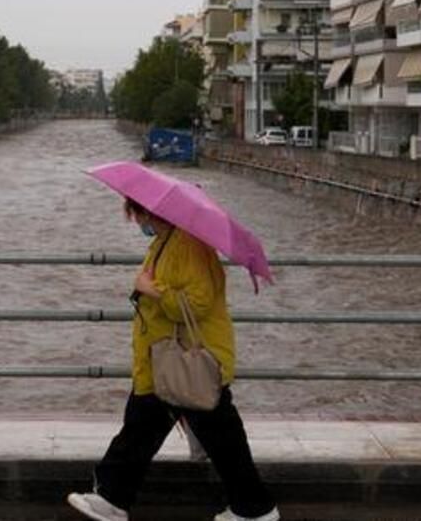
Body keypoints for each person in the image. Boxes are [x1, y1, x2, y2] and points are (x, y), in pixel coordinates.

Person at [67, 198, 279, 521]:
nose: (137, 223)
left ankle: (112, 499)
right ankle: (252, 508)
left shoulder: (188, 246)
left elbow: (197, 303)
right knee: (174, 431)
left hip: (187, 360)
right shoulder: (168, 241)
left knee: (179, 432)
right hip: (171, 360)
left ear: (149, 212)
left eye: (135, 215)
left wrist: (151, 290)